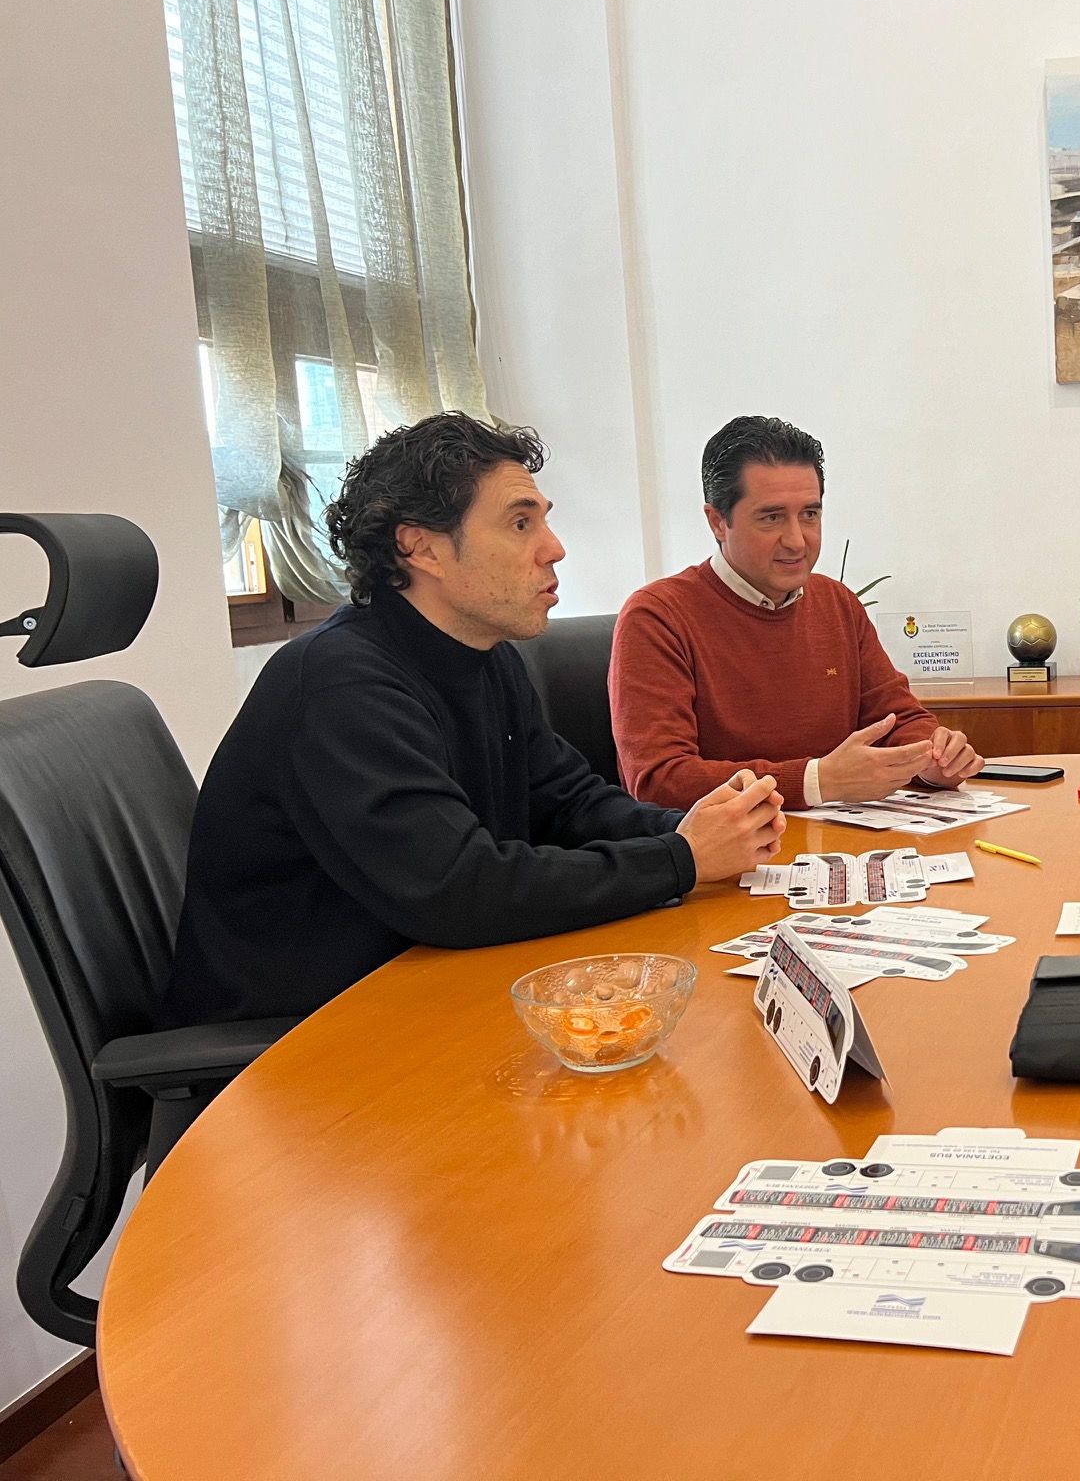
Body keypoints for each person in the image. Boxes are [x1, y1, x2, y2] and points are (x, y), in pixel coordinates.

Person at [166, 412, 784, 1027]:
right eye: (521, 523)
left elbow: (567, 804)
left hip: (427, 986)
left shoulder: (484, 656)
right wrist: (681, 857)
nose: (555, 548)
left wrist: (700, 827)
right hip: (305, 1039)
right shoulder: (340, 685)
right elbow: (459, 892)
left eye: (545, 519)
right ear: (422, 548)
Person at [612, 414, 981, 810]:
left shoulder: (837, 603)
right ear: (718, 521)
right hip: (729, 857)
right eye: (772, 518)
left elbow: (899, 720)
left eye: (810, 514)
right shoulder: (657, 616)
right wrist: (816, 781)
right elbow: (659, 779)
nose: (796, 540)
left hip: (841, 848)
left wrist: (933, 758)